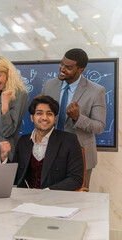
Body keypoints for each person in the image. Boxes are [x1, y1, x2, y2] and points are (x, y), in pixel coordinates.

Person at [41, 48, 106, 187]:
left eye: (68, 67)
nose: (62, 69)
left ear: (80, 69)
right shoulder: (49, 85)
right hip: (49, 152)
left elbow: (100, 126)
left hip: (79, 156)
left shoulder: (96, 90)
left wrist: (78, 118)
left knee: (79, 201)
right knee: (49, 197)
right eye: (62, 64)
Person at [0, 96, 84, 191]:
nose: (44, 118)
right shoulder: (23, 141)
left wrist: (47, 192)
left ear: (54, 118)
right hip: (25, 200)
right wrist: (4, 158)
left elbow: (76, 179)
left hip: (55, 200)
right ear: (32, 117)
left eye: (49, 114)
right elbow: (15, 177)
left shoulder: (69, 140)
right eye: (39, 113)